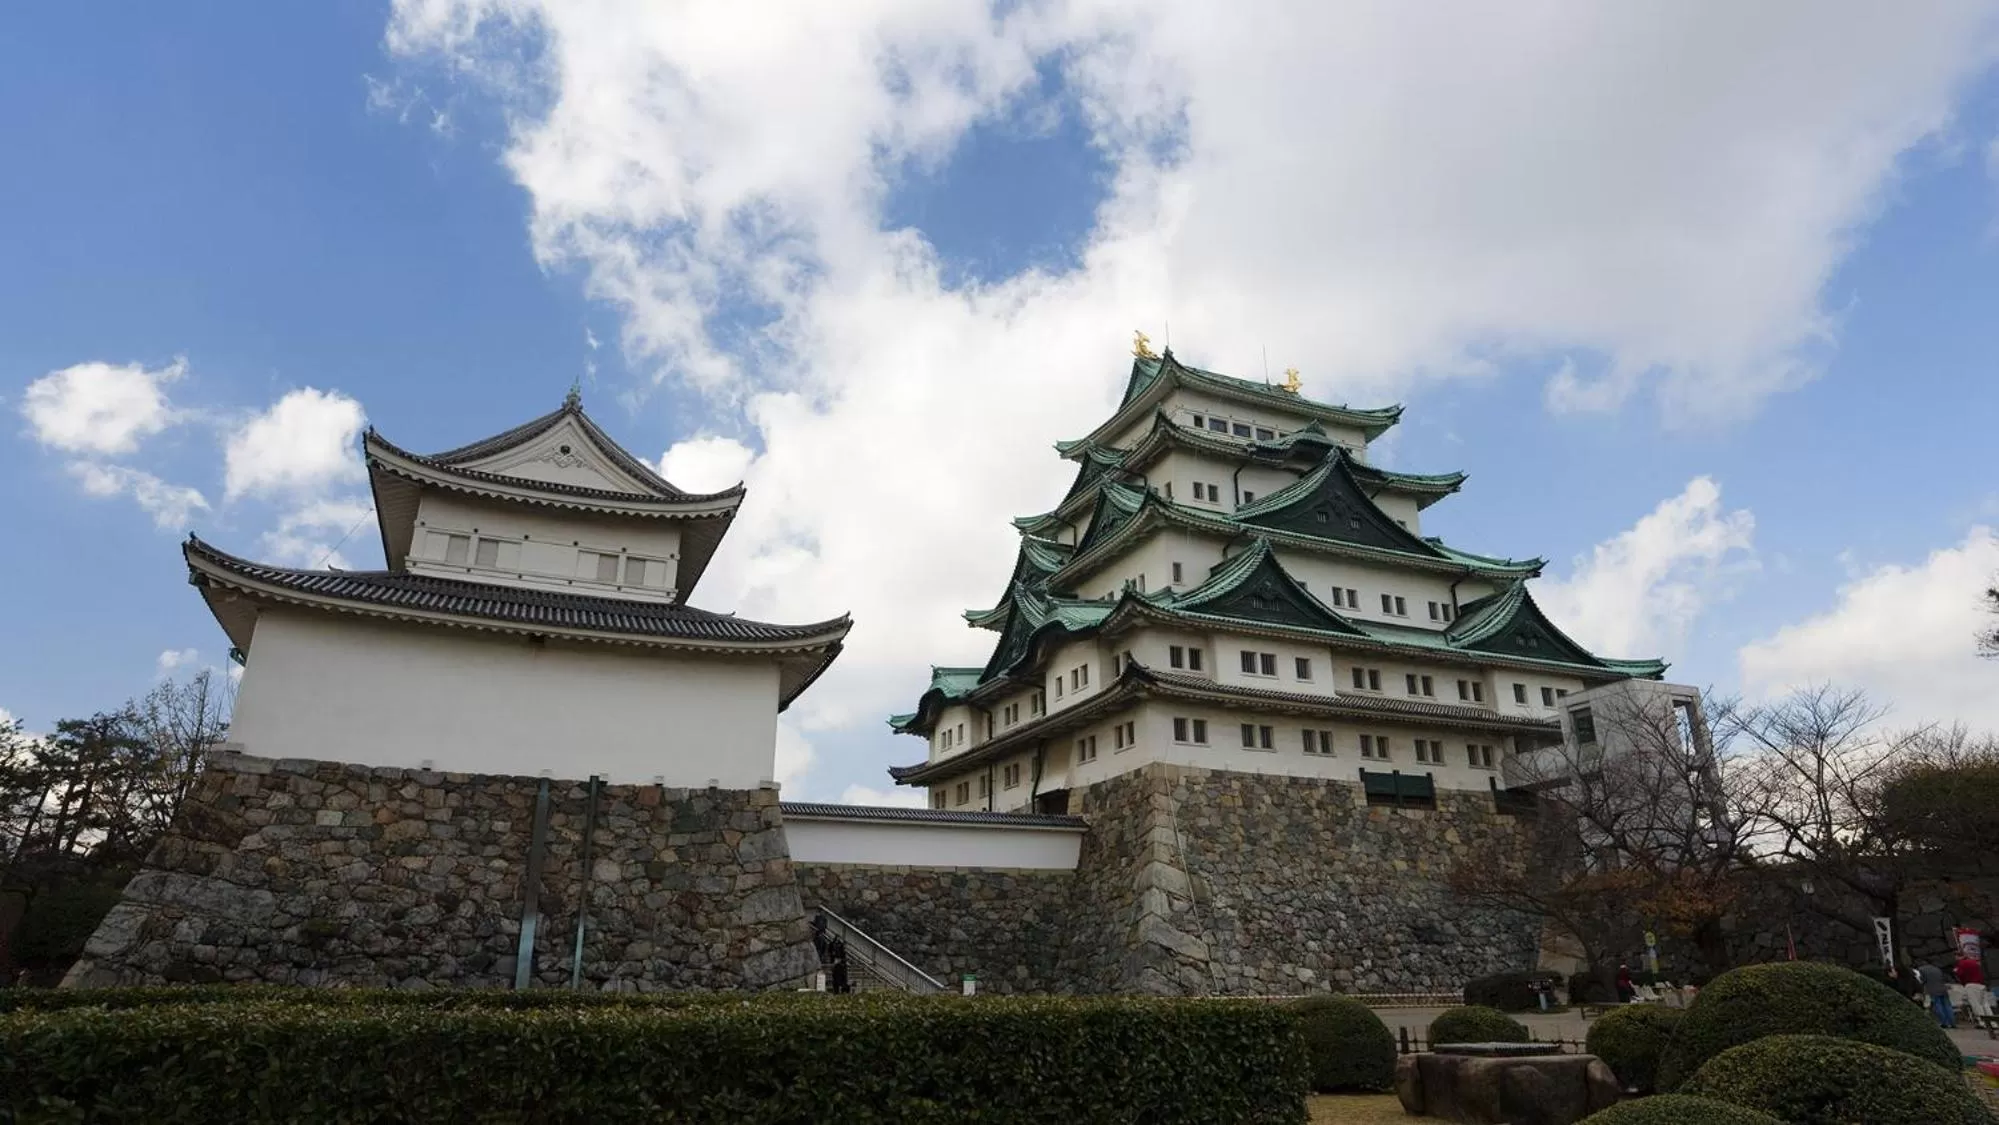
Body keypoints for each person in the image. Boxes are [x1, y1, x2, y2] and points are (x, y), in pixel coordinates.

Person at [1916, 962, 1955, 1028]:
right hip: (1943, 989)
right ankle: (1952, 1022)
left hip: (1933, 990)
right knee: (1947, 1006)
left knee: (1938, 1006)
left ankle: (1944, 1022)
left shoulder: (1921, 969)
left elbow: (1922, 980)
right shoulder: (1937, 969)